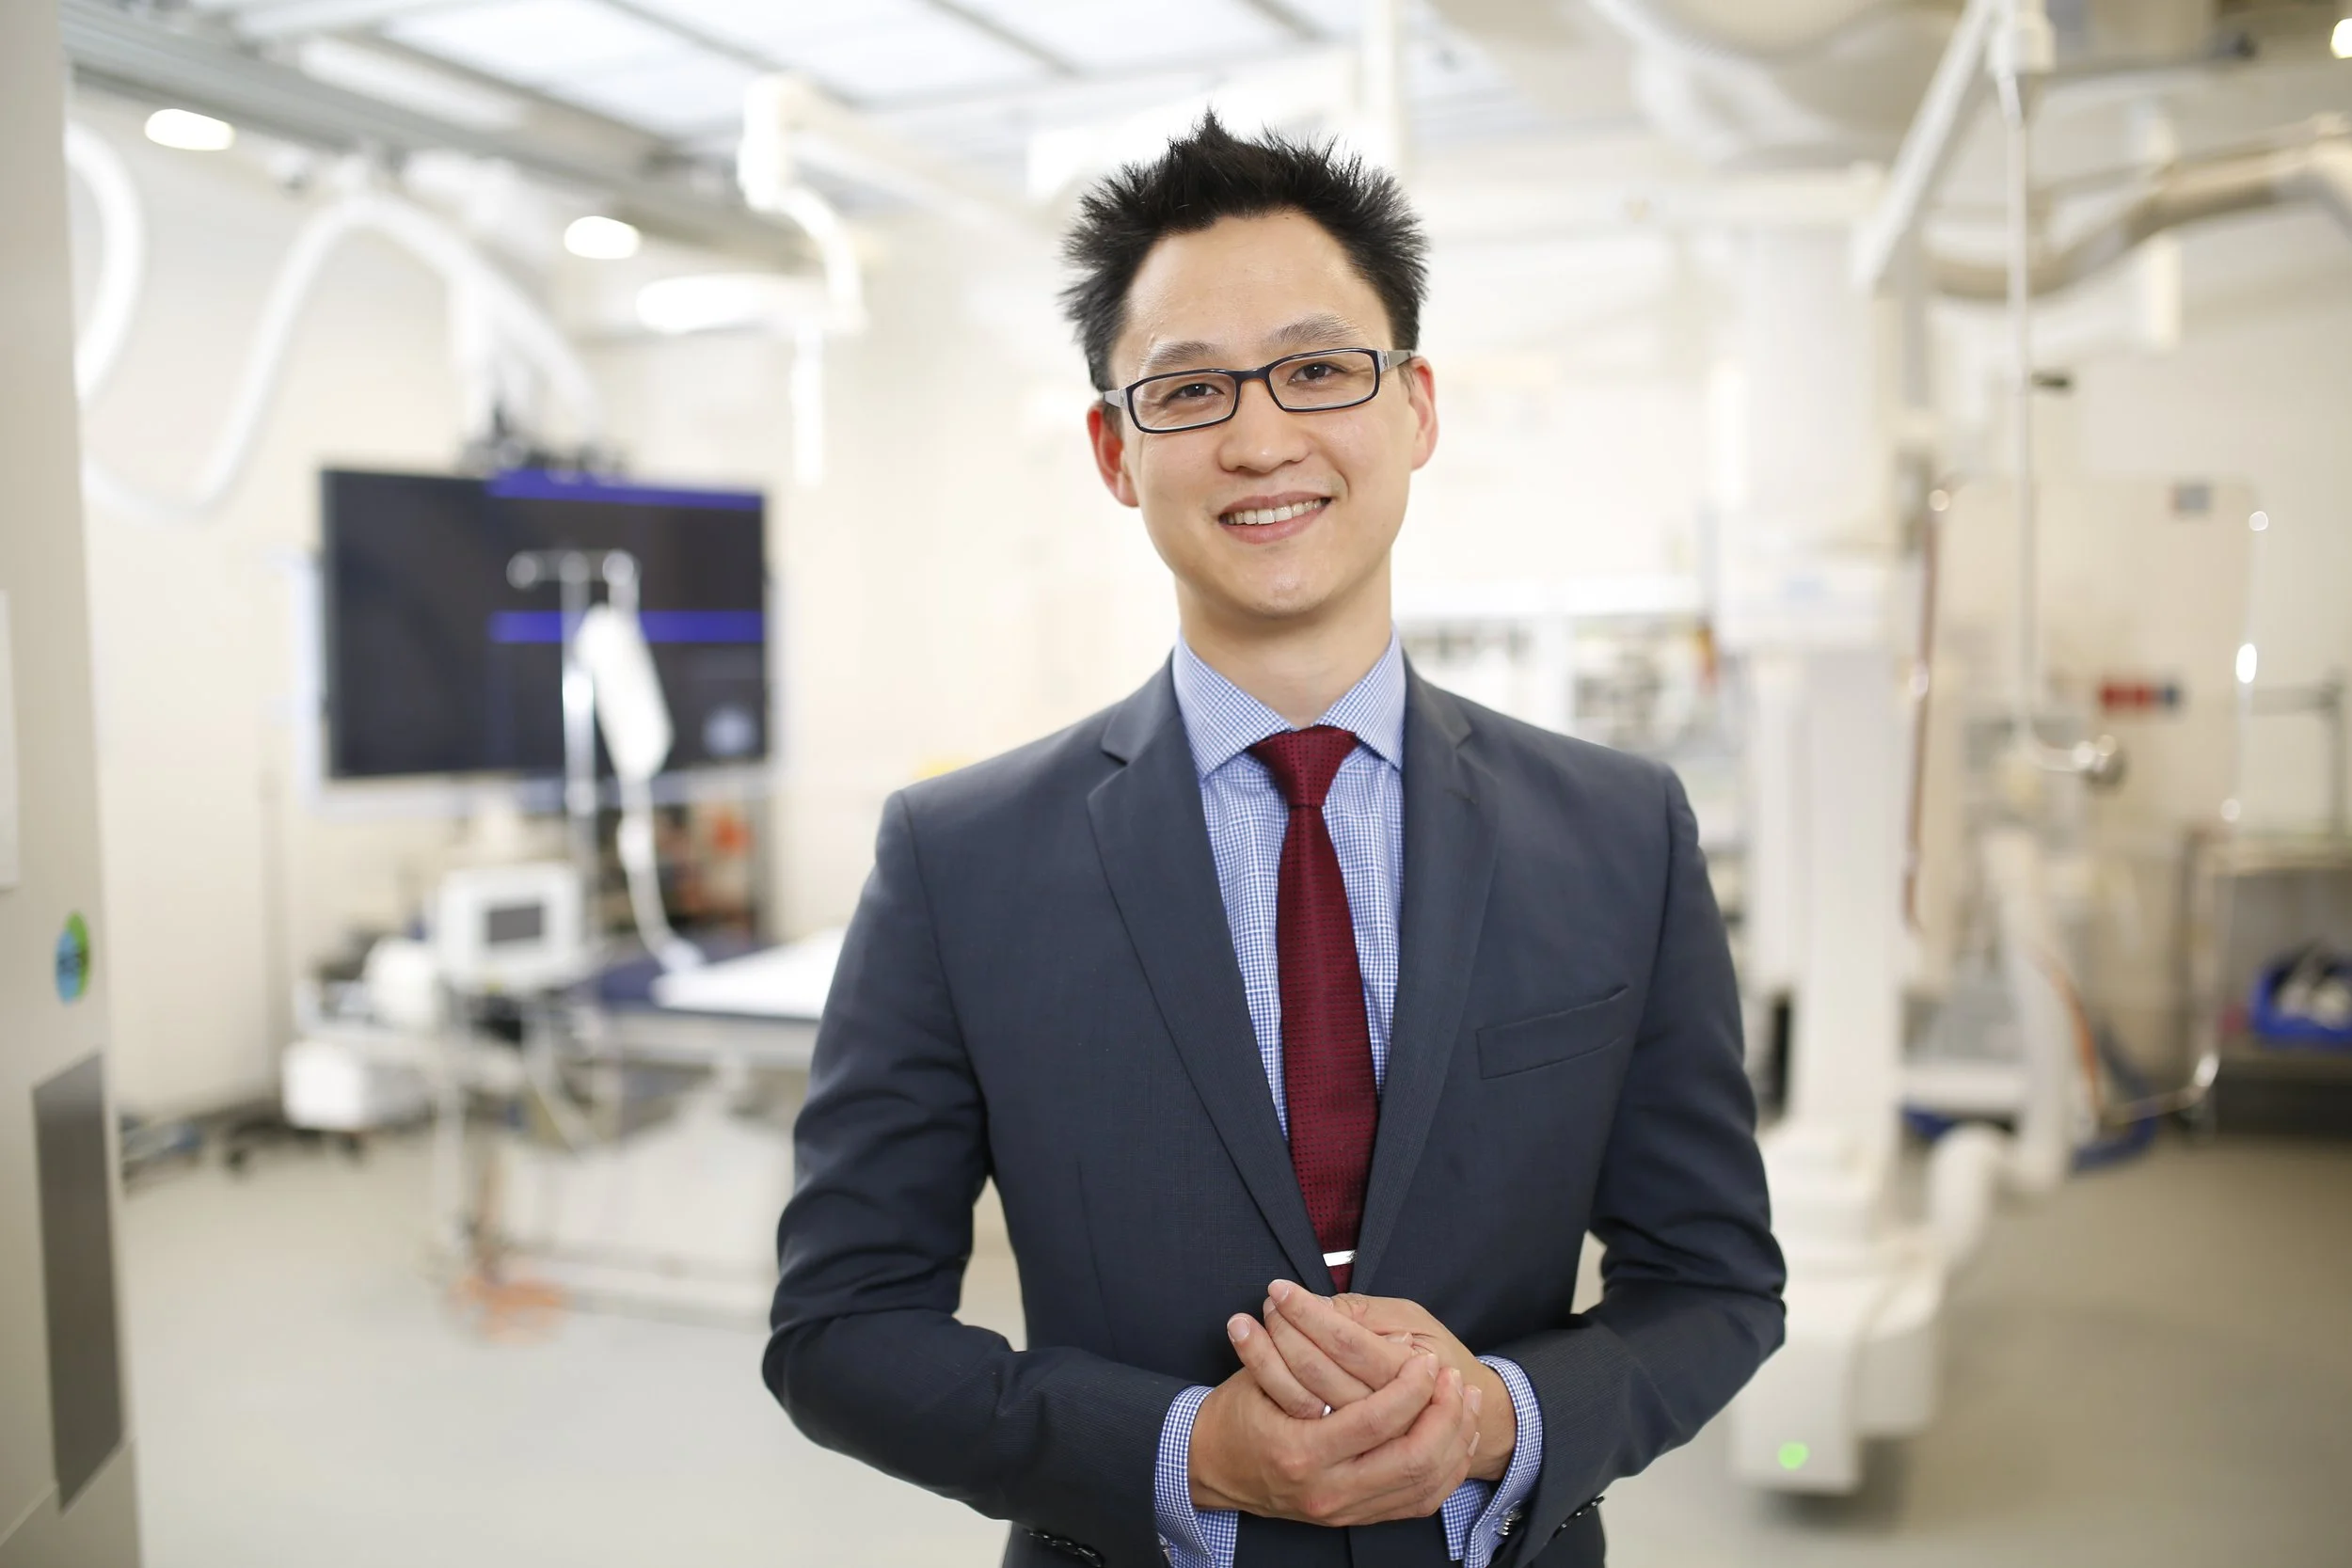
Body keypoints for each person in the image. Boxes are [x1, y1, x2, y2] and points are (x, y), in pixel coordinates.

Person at [765, 114, 1783, 1568]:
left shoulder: (1620, 833)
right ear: (1116, 452)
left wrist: (1498, 1415)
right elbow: (838, 1328)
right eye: (1187, 390)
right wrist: (1189, 1451)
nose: (1259, 438)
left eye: (1317, 369)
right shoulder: (958, 858)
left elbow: (1717, 1282)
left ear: (1417, 406)